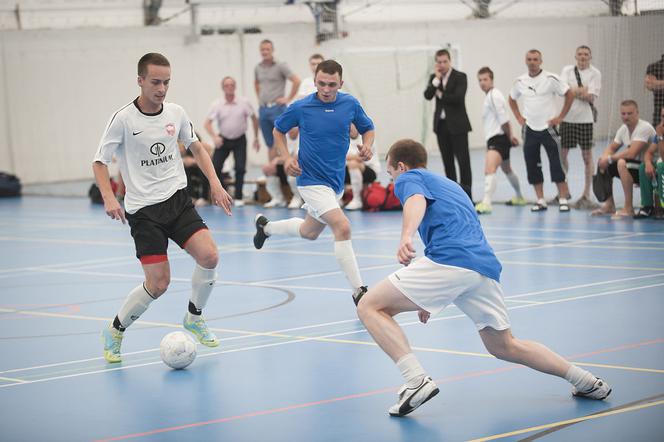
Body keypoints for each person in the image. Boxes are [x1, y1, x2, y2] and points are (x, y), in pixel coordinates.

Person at [355, 139, 611, 417]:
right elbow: (460, 229)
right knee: (504, 345)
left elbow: (415, 202)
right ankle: (586, 381)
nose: (392, 179)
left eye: (391, 173)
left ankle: (416, 380)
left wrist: (405, 236)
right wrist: (430, 297)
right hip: (482, 267)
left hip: (451, 260)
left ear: (401, 167)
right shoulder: (451, 186)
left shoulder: (410, 179)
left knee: (369, 305)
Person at [93, 53, 233, 363]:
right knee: (158, 284)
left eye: (166, 82)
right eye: (155, 82)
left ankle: (194, 317)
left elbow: (196, 146)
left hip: (177, 201)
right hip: (144, 212)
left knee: (209, 255)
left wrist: (215, 183)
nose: (162, 88)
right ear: (140, 80)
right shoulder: (123, 119)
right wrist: (108, 196)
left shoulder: (177, 113)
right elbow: (99, 161)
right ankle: (115, 330)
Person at [253, 59, 375, 301]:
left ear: (340, 83)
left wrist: (368, 146)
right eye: (321, 84)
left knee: (309, 232)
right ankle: (359, 291)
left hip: (335, 183)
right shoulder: (301, 107)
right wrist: (286, 158)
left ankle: (266, 227)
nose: (326, 90)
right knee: (342, 227)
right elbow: (278, 130)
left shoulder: (350, 103)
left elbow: (367, 128)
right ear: (315, 81)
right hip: (310, 181)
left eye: (332, 84)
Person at [508, 49, 574, 212]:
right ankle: (540, 200)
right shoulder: (520, 81)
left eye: (535, 59)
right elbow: (511, 98)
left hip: (548, 129)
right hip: (529, 129)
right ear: (526, 61)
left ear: (541, 61)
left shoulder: (551, 78)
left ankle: (563, 198)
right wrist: (518, 117)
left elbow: (569, 93)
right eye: (529, 59)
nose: (532, 62)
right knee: (533, 164)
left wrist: (560, 117)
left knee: (557, 163)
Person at [255, 39, 301, 207]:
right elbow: (257, 83)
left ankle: (287, 175)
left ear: (272, 50)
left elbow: (296, 80)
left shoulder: (281, 65)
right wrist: (261, 99)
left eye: (267, 49)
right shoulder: (258, 68)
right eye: (262, 49)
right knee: (270, 145)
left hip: (277, 108)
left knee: (280, 139)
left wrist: (288, 98)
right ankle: (276, 189)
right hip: (263, 109)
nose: (265, 51)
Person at [474, 67, 525, 215]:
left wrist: (509, 137)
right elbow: (504, 119)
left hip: (498, 138)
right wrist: (510, 137)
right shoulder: (492, 95)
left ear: (492, 80)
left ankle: (486, 203)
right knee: (507, 169)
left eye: (485, 79)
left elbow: (503, 119)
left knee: (489, 170)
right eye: (480, 80)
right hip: (500, 137)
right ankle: (520, 197)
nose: (482, 83)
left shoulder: (493, 96)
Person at [591, 100, 656, 218]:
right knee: (605, 163)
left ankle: (628, 208)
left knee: (621, 163)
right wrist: (604, 159)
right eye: (623, 113)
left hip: (650, 168)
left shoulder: (644, 127)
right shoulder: (623, 129)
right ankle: (609, 205)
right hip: (638, 167)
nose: (626, 116)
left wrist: (609, 158)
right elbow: (612, 148)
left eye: (629, 113)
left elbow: (631, 154)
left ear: (637, 113)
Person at [423, 49, 473, 200]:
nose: (442, 65)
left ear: (450, 61)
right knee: (448, 162)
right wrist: (436, 81)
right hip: (441, 126)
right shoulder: (434, 78)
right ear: (436, 63)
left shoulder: (460, 76)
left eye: (445, 61)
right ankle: (453, 197)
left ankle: (467, 197)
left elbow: (457, 98)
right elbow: (427, 95)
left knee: (463, 162)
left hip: (458, 126)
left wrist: (441, 94)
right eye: (439, 62)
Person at [204, 76, 260, 207]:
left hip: (240, 139)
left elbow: (254, 119)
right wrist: (214, 137)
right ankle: (223, 194)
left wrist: (256, 138)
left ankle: (239, 197)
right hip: (223, 139)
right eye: (226, 85)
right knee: (216, 166)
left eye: (232, 85)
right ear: (223, 88)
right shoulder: (217, 104)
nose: (229, 87)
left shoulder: (244, 102)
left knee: (240, 168)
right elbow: (207, 123)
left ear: (235, 87)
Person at [559, 46, 602, 210]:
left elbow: (591, 96)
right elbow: (564, 92)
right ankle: (564, 190)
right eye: (580, 54)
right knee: (562, 155)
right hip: (567, 118)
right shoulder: (567, 70)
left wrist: (573, 91)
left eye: (586, 54)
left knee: (587, 157)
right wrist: (580, 90)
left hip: (585, 120)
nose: (583, 57)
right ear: (575, 56)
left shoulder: (595, 73)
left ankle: (586, 194)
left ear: (590, 56)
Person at [286, 53, 326, 210]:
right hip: (305, 133)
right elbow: (301, 105)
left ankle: (330, 196)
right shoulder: (306, 83)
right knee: (294, 162)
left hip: (323, 132)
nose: (315, 66)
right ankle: (297, 195)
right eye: (313, 63)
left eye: (318, 63)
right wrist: (295, 126)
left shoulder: (328, 83)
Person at [635, 106, 664, 219]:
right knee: (643, 167)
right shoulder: (660, 132)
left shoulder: (661, 133)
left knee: (661, 166)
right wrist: (648, 163)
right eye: (662, 116)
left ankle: (662, 207)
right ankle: (647, 207)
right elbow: (649, 152)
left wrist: (661, 136)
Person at [645, 54, 664, 126]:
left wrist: (657, 83)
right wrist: (654, 84)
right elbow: (649, 85)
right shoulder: (654, 67)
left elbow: (653, 84)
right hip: (659, 113)